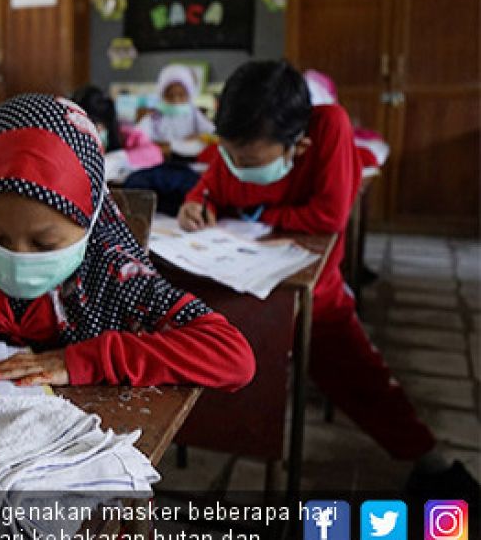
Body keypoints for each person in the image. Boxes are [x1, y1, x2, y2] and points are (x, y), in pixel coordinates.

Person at [177, 60, 476, 496]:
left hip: (310, 280)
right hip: (236, 275)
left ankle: (428, 460)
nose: (238, 166)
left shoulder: (329, 127)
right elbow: (212, 185)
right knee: (208, 348)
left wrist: (258, 216)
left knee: (353, 369)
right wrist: (195, 202)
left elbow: (328, 215)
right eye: (231, 154)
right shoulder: (239, 142)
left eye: (250, 161)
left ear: (298, 144)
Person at [0, 94, 255, 393]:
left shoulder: (112, 272)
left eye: (44, 242)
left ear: (88, 222)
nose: (16, 256)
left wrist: (88, 360)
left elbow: (231, 354)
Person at [71, 85, 163, 183]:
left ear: (106, 123)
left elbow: (155, 154)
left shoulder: (126, 135)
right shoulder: (68, 137)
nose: (88, 132)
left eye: (94, 125)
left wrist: (117, 160)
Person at [138, 64, 214, 144]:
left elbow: (211, 131)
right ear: (162, 95)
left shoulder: (193, 113)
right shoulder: (155, 116)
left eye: (181, 95)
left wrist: (199, 136)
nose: (176, 100)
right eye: (170, 96)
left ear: (189, 95)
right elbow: (140, 135)